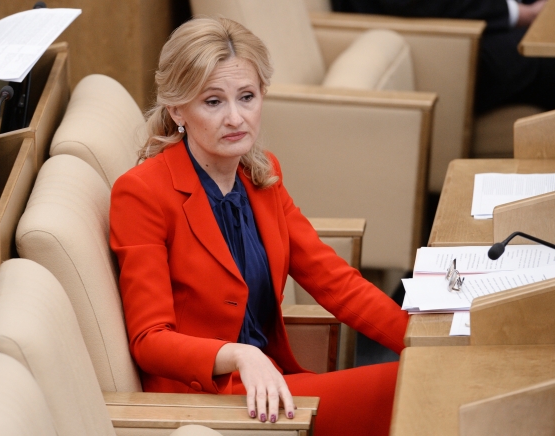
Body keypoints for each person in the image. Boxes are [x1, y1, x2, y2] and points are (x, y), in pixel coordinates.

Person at [109, 17, 408, 436]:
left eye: (246, 97)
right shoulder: (141, 193)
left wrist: (422, 340)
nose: (236, 117)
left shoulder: (262, 175)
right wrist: (238, 356)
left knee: (427, 374)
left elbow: (336, 283)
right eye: (213, 102)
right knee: (413, 388)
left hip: (273, 383)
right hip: (206, 399)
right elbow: (149, 339)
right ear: (177, 109)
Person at [331, 0, 555, 114]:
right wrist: (519, 13)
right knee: (553, 53)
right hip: (439, 45)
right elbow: (419, 4)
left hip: (468, 24)